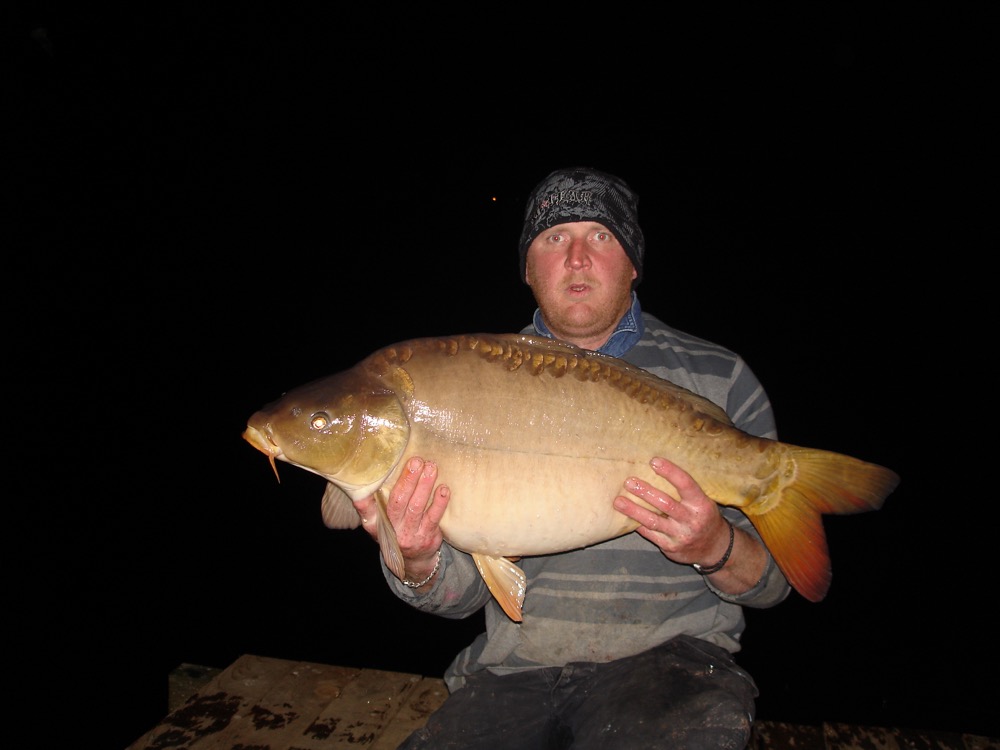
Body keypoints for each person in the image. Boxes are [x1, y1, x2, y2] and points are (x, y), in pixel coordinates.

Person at [338, 166, 791, 749]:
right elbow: (463, 597)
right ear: (528, 269)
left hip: (673, 668)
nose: (576, 257)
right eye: (554, 239)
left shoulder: (721, 380)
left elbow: (774, 583)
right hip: (515, 672)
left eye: (600, 236)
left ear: (633, 262)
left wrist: (716, 548)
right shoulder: (465, 382)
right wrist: (420, 561)